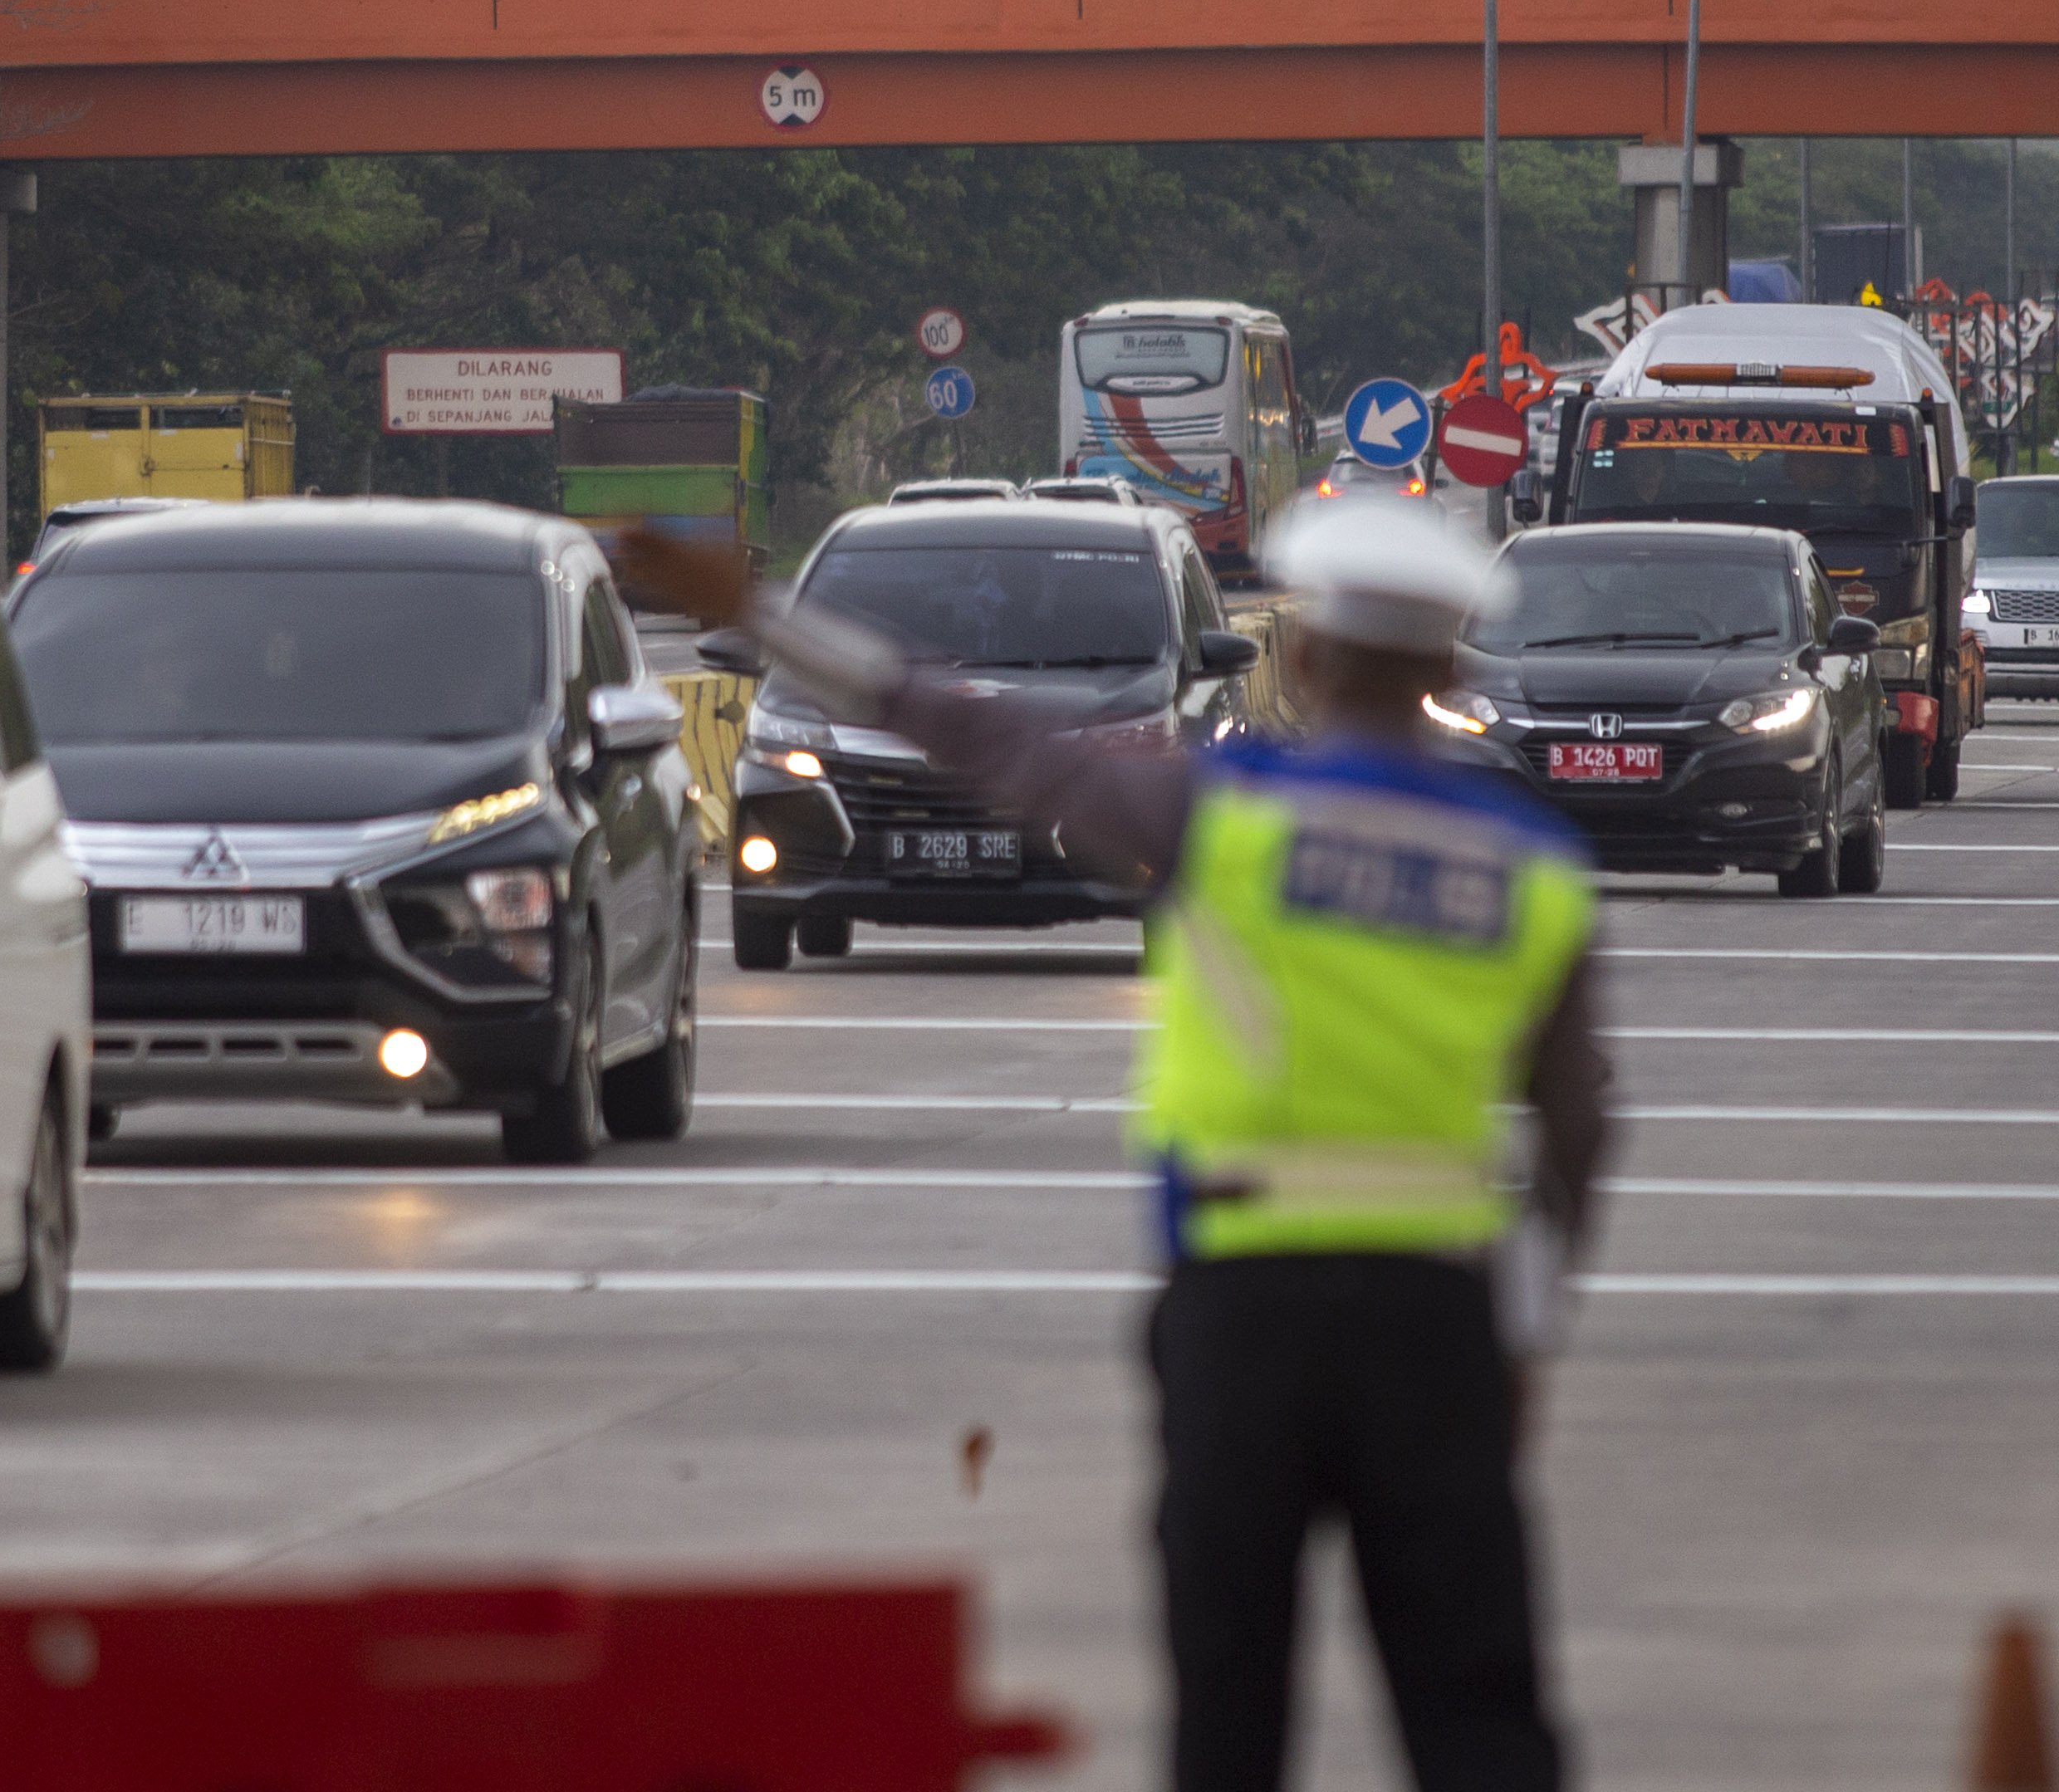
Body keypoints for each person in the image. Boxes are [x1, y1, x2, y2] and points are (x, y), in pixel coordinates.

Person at [620, 496, 1606, 1792]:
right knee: (1478, 1710)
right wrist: (1523, 1341)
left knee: (1229, 1699)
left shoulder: (1222, 813)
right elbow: (1580, 1130)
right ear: (1451, 673)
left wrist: (751, 608)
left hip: (1242, 1313)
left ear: (1301, 662)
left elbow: (971, 732)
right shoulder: (1531, 861)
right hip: (1437, 1317)